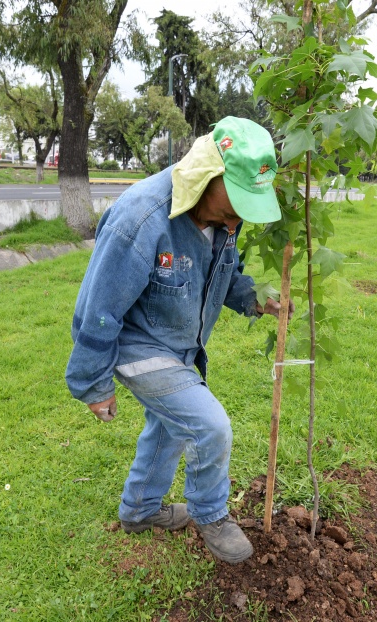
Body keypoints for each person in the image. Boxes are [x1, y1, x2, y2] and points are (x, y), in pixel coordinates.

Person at [65, 117, 292, 564]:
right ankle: (211, 514)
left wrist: (255, 298)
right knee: (209, 426)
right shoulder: (140, 219)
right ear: (206, 175)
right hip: (135, 345)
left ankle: (140, 510)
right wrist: (92, 384)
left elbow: (225, 276)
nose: (236, 221)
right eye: (232, 208)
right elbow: (99, 306)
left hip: (179, 348)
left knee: (170, 426)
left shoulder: (226, 220)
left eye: (244, 211)